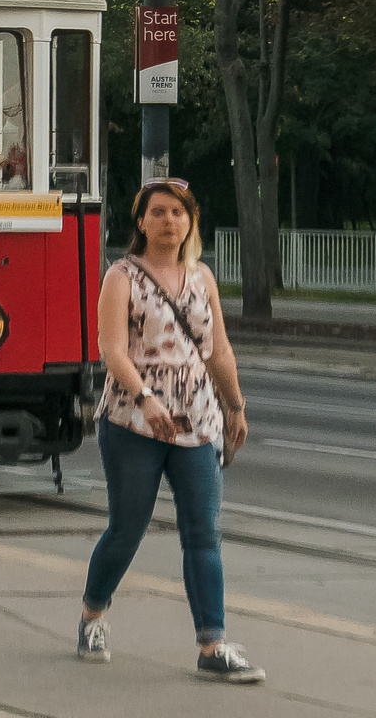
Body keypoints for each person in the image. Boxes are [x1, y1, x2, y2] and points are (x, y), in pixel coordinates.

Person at [78, 178, 261, 683]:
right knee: (126, 530)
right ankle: (93, 615)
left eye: (177, 213)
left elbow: (218, 350)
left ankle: (212, 644)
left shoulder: (201, 277)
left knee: (203, 532)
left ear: (190, 221)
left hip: (197, 421)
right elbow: (112, 350)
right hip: (134, 420)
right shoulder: (121, 276)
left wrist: (235, 407)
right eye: (157, 212)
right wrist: (145, 398)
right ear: (141, 222)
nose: (168, 221)